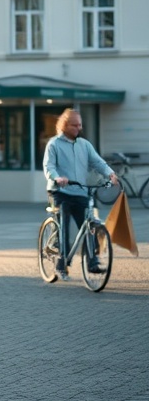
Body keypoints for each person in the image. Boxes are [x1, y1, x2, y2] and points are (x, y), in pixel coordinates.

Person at [43, 108, 118, 279]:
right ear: (64, 125)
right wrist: (57, 178)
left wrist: (110, 173)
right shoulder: (54, 144)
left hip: (80, 192)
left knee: (89, 227)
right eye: (74, 125)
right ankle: (61, 264)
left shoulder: (84, 144)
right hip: (60, 191)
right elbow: (49, 167)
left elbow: (97, 162)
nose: (78, 128)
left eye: (80, 125)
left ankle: (92, 263)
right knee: (65, 228)